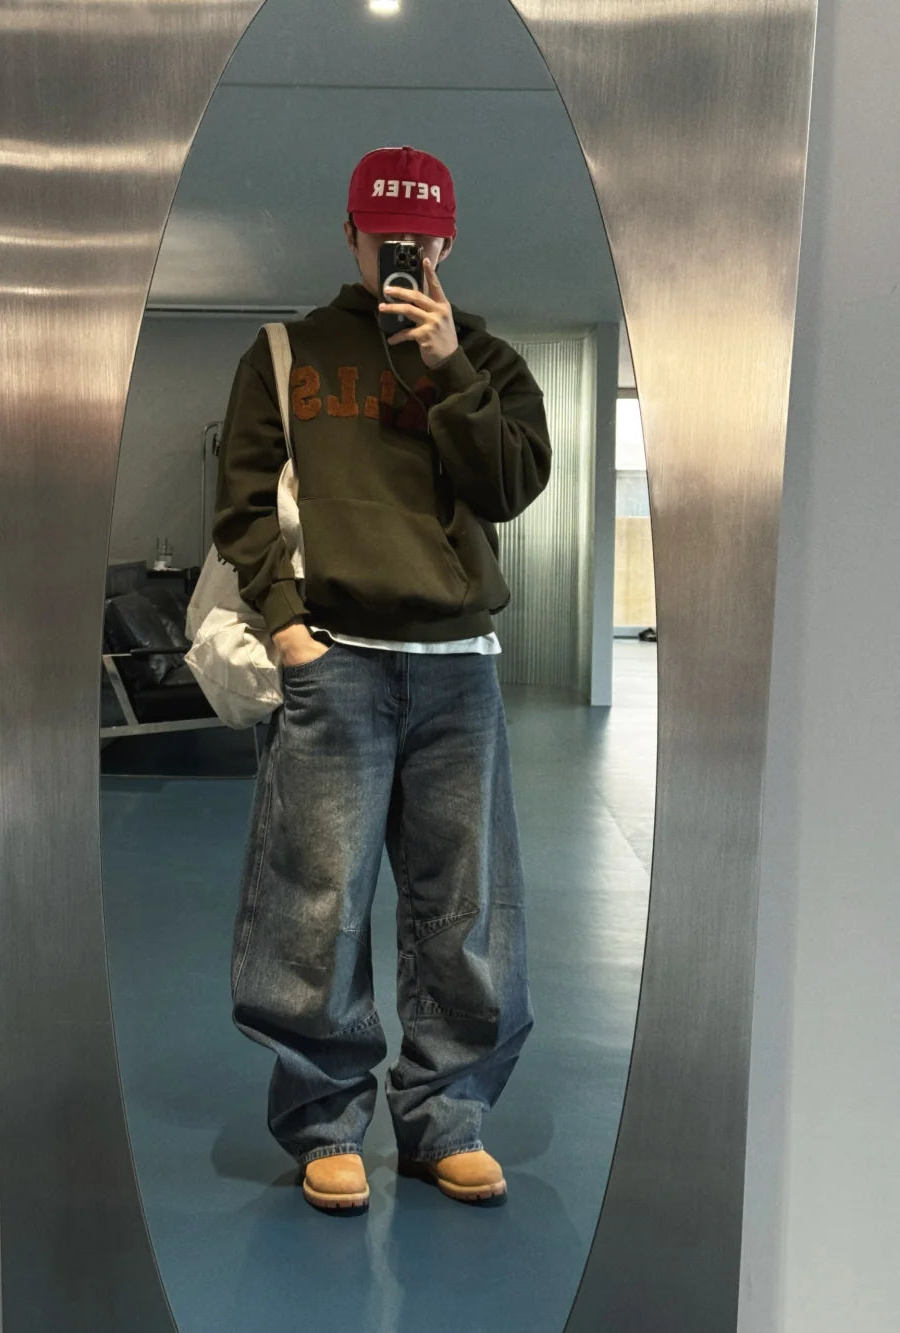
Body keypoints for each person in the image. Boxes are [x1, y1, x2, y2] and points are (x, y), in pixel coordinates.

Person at [213, 145, 552, 1212]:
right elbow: (241, 507)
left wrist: (450, 368)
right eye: (385, 236)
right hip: (337, 658)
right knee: (315, 899)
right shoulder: (286, 351)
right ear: (351, 233)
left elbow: (510, 486)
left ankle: (448, 1118)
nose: (404, 254)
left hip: (458, 667)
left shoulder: (488, 359)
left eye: (422, 239)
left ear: (447, 240)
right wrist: (285, 627)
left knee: (466, 906)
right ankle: (325, 1119)